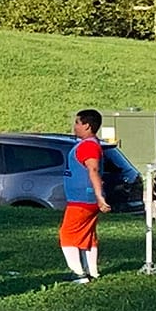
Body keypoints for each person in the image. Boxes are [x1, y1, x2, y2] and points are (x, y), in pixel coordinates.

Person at [62, 109, 111, 284]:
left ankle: (79, 274)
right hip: (85, 198)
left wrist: (99, 196)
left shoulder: (88, 146)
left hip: (82, 199)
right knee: (87, 236)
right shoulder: (90, 144)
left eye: (77, 123)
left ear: (87, 126)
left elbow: (93, 170)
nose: (74, 126)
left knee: (67, 235)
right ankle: (93, 272)